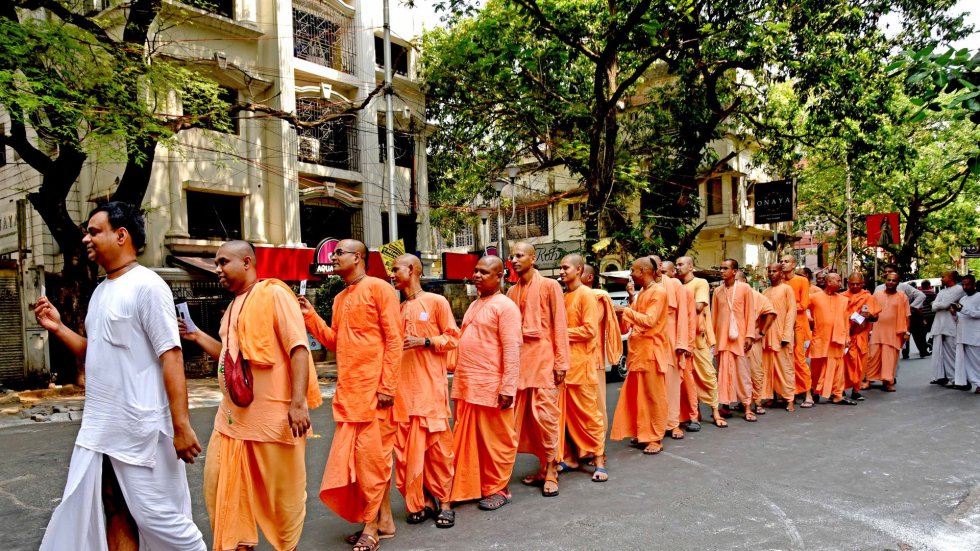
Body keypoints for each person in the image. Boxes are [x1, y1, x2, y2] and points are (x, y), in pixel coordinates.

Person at [35, 202, 206, 551]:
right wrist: (58, 327)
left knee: (160, 519)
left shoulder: (148, 286)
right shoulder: (100, 291)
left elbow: (170, 355)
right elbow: (96, 353)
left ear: (121, 235)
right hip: (103, 428)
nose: (86, 238)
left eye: (94, 231)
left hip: (142, 430)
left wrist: (182, 426)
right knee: (112, 506)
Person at [179, 240, 319, 551]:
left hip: (274, 421)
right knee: (221, 491)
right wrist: (196, 335)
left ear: (246, 262)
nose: (217, 270)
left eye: (223, 262)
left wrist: (298, 403)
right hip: (231, 423)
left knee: (283, 503)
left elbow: (298, 348)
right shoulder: (231, 308)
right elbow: (228, 358)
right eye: (216, 264)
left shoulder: (274, 294)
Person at [301, 239, 403, 551]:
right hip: (350, 393)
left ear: (357, 257)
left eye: (339, 253)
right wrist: (310, 317)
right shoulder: (339, 298)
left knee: (372, 463)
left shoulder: (379, 288)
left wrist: (387, 386)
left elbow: (395, 340)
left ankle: (371, 526)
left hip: (375, 392)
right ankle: (383, 520)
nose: (332, 257)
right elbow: (335, 341)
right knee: (367, 465)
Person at [389, 254, 459, 528]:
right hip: (404, 393)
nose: (392, 274)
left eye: (396, 269)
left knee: (438, 450)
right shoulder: (397, 308)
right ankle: (422, 500)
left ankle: (445, 503)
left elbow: (453, 337)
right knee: (408, 453)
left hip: (430, 389)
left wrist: (425, 340)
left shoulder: (436, 302)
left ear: (412, 270)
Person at [449, 256, 522, 510]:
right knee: (472, 440)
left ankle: (499, 489)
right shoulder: (475, 304)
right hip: (469, 382)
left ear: (499, 276)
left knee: (497, 441)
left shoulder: (506, 306)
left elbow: (512, 349)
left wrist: (507, 387)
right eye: (476, 271)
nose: (477, 275)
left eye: (484, 272)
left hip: (492, 385)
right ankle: (475, 485)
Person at [507, 242, 570, 498]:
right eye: (512, 256)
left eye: (520, 255)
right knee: (525, 421)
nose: (514, 260)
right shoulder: (511, 291)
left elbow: (560, 326)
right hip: (521, 362)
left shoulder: (550, 286)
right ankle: (543, 467)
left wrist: (561, 363)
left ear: (533, 259)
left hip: (544, 359)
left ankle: (552, 469)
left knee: (546, 417)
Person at [611, 257, 671, 454]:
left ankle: (655, 438)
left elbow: (649, 321)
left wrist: (625, 311)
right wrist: (620, 314)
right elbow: (630, 324)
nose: (631, 274)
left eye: (633, 270)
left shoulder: (659, 292)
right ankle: (643, 433)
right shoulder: (642, 293)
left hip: (652, 351)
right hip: (638, 353)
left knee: (654, 397)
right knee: (639, 397)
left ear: (644, 271)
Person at [556, 254, 608, 481]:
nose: (561, 271)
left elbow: (589, 331)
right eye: (560, 268)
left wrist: (559, 334)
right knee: (565, 419)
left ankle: (599, 460)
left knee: (589, 416)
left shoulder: (587, 295)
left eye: (565, 268)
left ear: (579, 270)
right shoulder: (563, 296)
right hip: (563, 368)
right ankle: (571, 457)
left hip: (581, 366)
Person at [676, 256, 725, 429]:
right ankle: (694, 413)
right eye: (676, 264)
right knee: (689, 379)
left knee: (707, 374)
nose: (678, 267)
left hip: (700, 338)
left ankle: (716, 411)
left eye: (681, 264)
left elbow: (698, 307)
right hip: (684, 338)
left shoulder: (700, 283)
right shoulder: (679, 286)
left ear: (691, 267)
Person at [712, 259, 757, 421]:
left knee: (743, 373)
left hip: (740, 339)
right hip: (722, 339)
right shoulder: (717, 291)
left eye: (725, 268)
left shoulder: (745, 289)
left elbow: (750, 314)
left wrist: (750, 336)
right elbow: (714, 317)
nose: (721, 271)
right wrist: (712, 339)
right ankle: (725, 406)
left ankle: (747, 407)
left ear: (734, 271)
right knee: (723, 373)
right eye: (721, 268)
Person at [652, 257, 691, 440]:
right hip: (651, 340)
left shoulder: (675, 284)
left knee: (671, 384)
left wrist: (682, 343)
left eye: (657, 264)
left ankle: (673, 424)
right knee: (653, 386)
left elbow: (683, 313)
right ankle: (653, 425)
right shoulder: (647, 287)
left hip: (671, 340)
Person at [582, 264, 623, 429]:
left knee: (595, 403)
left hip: (593, 358)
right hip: (573, 360)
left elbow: (589, 326)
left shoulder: (597, 297)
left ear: (590, 277)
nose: (563, 272)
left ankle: (598, 446)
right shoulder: (567, 296)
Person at [807, 273, 856, 405]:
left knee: (837, 367)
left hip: (837, 338)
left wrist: (846, 337)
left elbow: (846, 320)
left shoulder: (843, 299)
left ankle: (837, 394)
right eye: (838, 281)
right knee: (817, 367)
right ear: (829, 282)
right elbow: (801, 311)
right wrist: (809, 320)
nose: (841, 283)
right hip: (820, 337)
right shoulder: (814, 298)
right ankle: (814, 390)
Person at [665, 261, 700, 436]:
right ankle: (673, 418)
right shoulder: (660, 291)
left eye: (665, 271)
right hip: (666, 346)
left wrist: (687, 344)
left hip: (682, 346)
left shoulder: (684, 291)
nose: (661, 275)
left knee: (687, 382)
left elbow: (690, 320)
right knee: (670, 387)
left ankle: (693, 416)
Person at [735, 271, 775, 414]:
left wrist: (761, 332)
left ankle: (757, 401)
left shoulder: (757, 296)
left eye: (737, 280)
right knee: (739, 372)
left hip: (752, 339)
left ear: (744, 280)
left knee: (755, 371)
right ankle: (744, 401)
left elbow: (770, 312)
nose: (735, 284)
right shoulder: (731, 295)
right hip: (734, 339)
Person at [866, 273, 911, 392]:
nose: (891, 282)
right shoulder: (877, 294)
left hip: (894, 332)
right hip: (877, 330)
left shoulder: (902, 296)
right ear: (885, 281)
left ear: (898, 283)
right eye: (889, 280)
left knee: (889, 358)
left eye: (894, 280)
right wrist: (868, 330)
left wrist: (907, 332)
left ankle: (888, 382)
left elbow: (907, 316)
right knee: (872, 356)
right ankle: (868, 381)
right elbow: (871, 312)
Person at [762, 263, 797, 411]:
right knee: (768, 369)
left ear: (781, 273)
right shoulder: (765, 292)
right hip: (767, 336)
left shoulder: (787, 289)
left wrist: (786, 335)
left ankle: (790, 399)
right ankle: (771, 396)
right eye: (769, 271)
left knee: (785, 368)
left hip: (782, 336)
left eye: (774, 271)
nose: (771, 274)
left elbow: (791, 313)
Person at [781, 255, 814, 408]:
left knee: (799, 360)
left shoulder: (802, 281)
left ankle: (808, 394)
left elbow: (805, 304)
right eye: (782, 261)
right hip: (782, 326)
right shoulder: (780, 281)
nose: (783, 263)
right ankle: (789, 393)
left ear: (794, 265)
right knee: (784, 361)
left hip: (798, 325)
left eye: (786, 261)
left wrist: (788, 308)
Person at [873, 264, 925, 359]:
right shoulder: (878, 289)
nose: (887, 274)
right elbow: (873, 304)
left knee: (905, 336)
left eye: (890, 272)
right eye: (886, 272)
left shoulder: (903, 287)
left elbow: (921, 295)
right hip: (883, 322)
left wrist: (912, 307)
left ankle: (908, 353)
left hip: (901, 318)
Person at [842, 273, 881, 401]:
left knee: (860, 364)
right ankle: (840, 390)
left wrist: (868, 315)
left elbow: (875, 317)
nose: (855, 286)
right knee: (843, 364)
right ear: (848, 283)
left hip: (861, 335)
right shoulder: (842, 297)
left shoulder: (868, 297)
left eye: (858, 284)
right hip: (846, 334)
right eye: (852, 284)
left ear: (862, 284)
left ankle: (856, 390)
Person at [929, 271, 965, 386]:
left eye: (943, 277)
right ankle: (941, 376)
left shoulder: (959, 289)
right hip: (939, 324)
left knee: (951, 353)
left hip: (951, 324)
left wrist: (936, 304)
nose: (941, 279)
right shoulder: (943, 291)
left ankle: (955, 379)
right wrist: (937, 305)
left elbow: (943, 304)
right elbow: (935, 306)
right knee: (938, 352)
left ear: (951, 278)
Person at [951, 275, 979, 392]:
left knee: (977, 362)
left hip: (975, 335)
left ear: (974, 284)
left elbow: (977, 314)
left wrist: (962, 310)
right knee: (966, 362)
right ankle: (967, 382)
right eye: (963, 284)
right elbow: (960, 317)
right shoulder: (963, 299)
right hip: (963, 334)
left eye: (967, 284)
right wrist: (954, 313)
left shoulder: (979, 296)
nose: (965, 287)